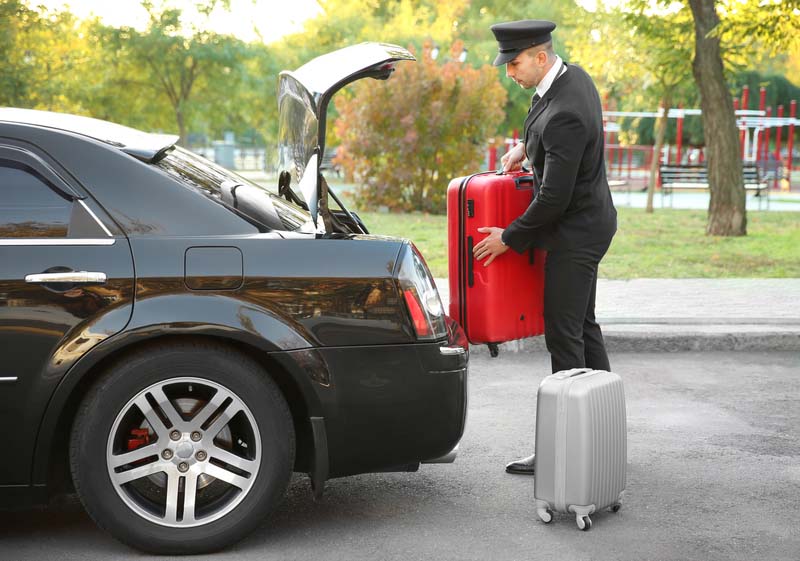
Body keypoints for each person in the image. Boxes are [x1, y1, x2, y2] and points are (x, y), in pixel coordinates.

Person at [473, 19, 617, 475]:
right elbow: (550, 137)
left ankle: (566, 451)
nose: (509, 72)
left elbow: (553, 197)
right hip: (589, 222)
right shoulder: (571, 78)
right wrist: (523, 147)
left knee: (564, 335)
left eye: (514, 63)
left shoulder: (566, 110)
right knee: (583, 328)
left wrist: (508, 238)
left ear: (540, 55)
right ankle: (602, 438)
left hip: (577, 233)